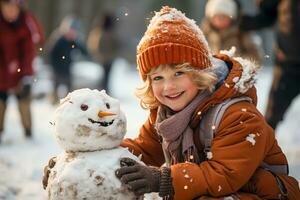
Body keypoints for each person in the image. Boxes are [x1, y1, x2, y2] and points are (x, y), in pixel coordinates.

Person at [43, 6, 300, 199]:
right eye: (158, 77)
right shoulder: (163, 114)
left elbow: (224, 175)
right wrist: (79, 162)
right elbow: (142, 150)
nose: (168, 86)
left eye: (179, 73)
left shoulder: (237, 115)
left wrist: (163, 179)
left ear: (200, 74)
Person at [239, 0, 300, 130]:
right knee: (271, 117)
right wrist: (239, 21)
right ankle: (262, 148)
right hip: (288, 65)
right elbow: (267, 16)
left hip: (287, 60)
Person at [0, 0, 44, 142]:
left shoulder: (27, 22)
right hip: (2, 71)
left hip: (21, 71)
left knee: (24, 100)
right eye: (6, 8)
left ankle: (28, 132)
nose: (10, 11)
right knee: (0, 103)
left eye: (13, 8)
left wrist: (26, 75)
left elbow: (30, 51)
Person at [48, 15, 90, 104]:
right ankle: (54, 102)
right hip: (57, 67)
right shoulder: (59, 40)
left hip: (67, 67)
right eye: (71, 31)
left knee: (69, 88)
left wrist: (80, 43)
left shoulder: (74, 41)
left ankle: (68, 103)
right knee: (56, 86)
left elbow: (84, 51)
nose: (72, 33)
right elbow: (51, 53)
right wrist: (54, 66)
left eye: (74, 32)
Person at [87, 12, 119, 95]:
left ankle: (104, 91)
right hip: (107, 58)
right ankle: (104, 92)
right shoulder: (108, 33)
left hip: (106, 58)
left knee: (105, 77)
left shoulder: (99, 32)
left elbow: (94, 45)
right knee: (105, 77)